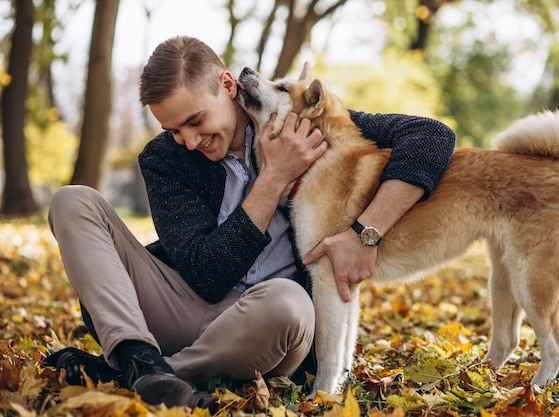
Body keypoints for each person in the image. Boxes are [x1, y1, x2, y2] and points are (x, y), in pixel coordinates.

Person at [45, 35, 456, 408]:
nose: (189, 141)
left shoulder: (303, 121)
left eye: (195, 121)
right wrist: (274, 177)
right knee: (72, 200)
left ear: (227, 86)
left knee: (289, 302)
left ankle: (147, 374)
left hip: (267, 327)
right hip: (184, 306)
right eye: (173, 130)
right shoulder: (163, 159)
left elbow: (433, 137)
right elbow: (207, 274)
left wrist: (364, 234)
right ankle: (139, 360)